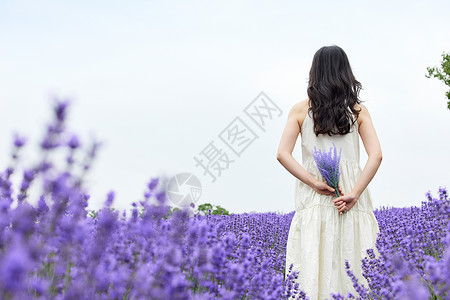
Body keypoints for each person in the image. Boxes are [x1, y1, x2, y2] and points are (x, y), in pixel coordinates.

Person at [276, 45, 382, 299]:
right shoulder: (358, 112)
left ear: (315, 73)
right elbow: (376, 155)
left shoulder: (300, 110)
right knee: (354, 261)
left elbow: (282, 154)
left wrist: (314, 183)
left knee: (314, 260)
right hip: (350, 197)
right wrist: (355, 193)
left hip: (316, 197)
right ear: (346, 73)